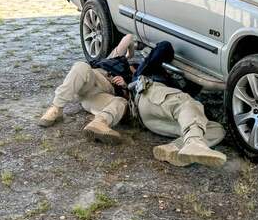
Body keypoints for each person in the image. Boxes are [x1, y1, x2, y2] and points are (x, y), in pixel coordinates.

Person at [38, 35, 226, 168]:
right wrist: (129, 58)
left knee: (216, 128)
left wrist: (128, 78)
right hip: (103, 83)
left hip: (133, 110)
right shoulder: (119, 62)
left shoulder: (139, 77)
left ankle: (175, 148)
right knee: (80, 67)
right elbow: (130, 38)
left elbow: (190, 91)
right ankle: (56, 108)